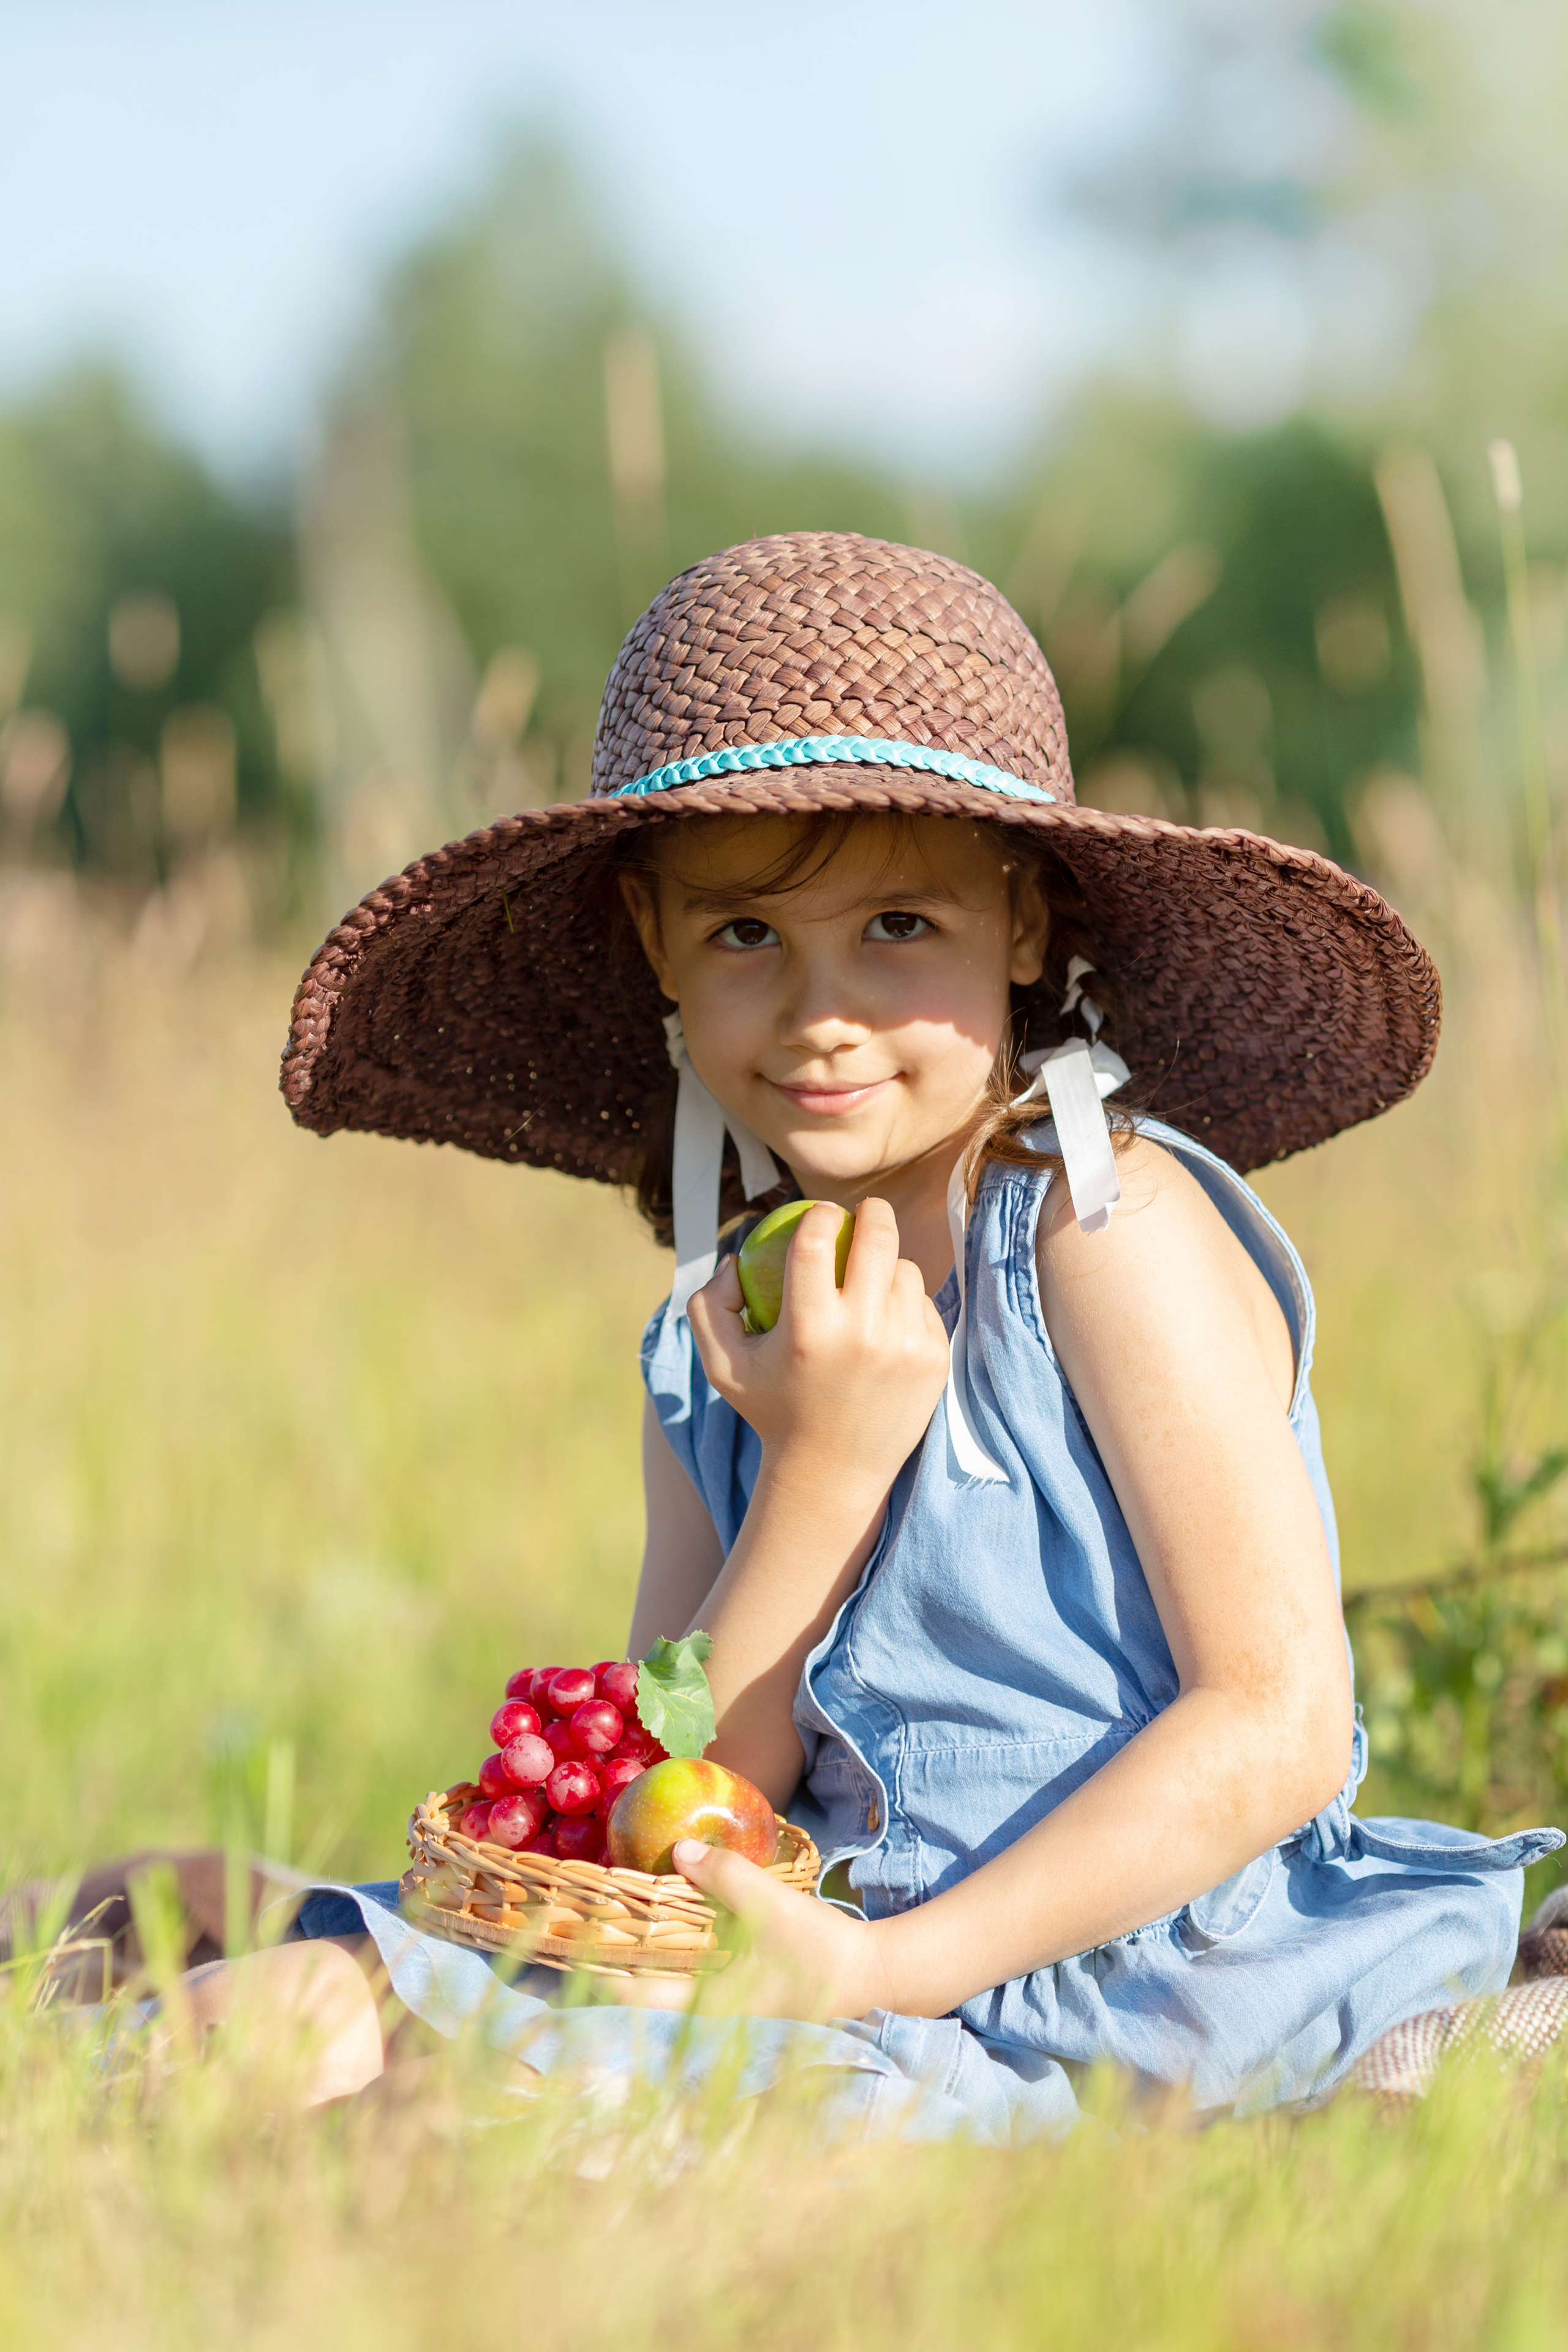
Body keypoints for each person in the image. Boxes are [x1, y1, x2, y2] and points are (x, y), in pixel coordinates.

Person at [208, 533, 1561, 2132]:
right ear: (653, 941)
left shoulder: (1101, 1231)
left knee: (461, 2111)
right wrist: (821, 1467)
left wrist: (889, 1966)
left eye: (900, 925)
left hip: (1139, 1986)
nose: (821, 1013)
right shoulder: (719, 1326)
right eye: (745, 936)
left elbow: (1277, 1726)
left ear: (1025, 921)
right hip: (835, 1968)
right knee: (276, 2009)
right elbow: (696, 1782)